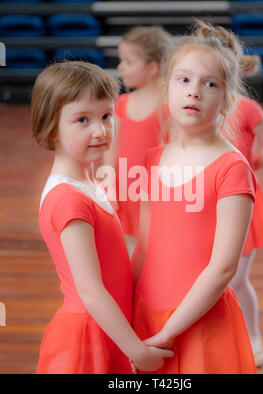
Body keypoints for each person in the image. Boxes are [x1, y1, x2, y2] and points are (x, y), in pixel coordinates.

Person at [32, 61, 173, 374]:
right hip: (88, 337)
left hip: (110, 329)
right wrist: (139, 352)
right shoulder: (69, 200)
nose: (100, 130)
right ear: (52, 127)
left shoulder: (89, 183)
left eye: (107, 116)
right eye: (82, 119)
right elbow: (91, 291)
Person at [131, 23, 258, 374]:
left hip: (200, 324)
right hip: (147, 314)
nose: (194, 92)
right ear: (166, 88)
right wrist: (126, 311)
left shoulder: (232, 169)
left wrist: (169, 333)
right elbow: (144, 246)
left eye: (210, 83)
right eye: (184, 80)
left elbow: (222, 269)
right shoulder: (153, 159)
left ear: (227, 100)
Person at [196, 21, 263, 367]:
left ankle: (252, 335)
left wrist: (250, 167)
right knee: (212, 272)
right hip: (206, 202)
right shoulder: (197, 104)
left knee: (235, 277)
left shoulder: (245, 108)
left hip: (242, 200)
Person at [105, 26, 172, 257]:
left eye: (128, 61)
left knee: (160, 252)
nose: (120, 67)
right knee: (131, 254)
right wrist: (109, 186)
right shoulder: (121, 103)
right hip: (127, 194)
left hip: (158, 194)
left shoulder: (170, 106)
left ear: (152, 67)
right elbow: (110, 151)